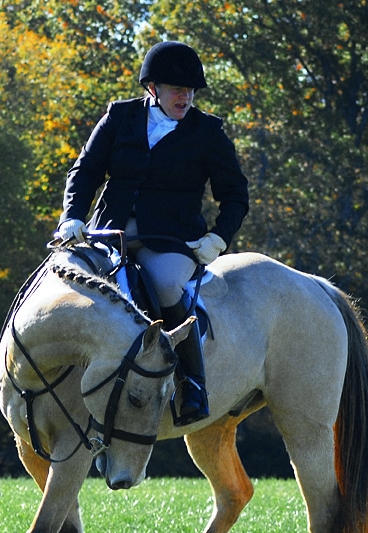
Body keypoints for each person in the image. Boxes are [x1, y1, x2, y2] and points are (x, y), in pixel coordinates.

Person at [54, 40, 250, 425]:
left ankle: (193, 383)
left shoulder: (207, 132)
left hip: (170, 241)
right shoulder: (119, 117)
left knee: (164, 286)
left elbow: (235, 195)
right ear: (152, 88)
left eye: (191, 90)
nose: (186, 97)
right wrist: (72, 217)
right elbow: (85, 171)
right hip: (109, 233)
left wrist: (218, 238)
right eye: (178, 89)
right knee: (65, 275)